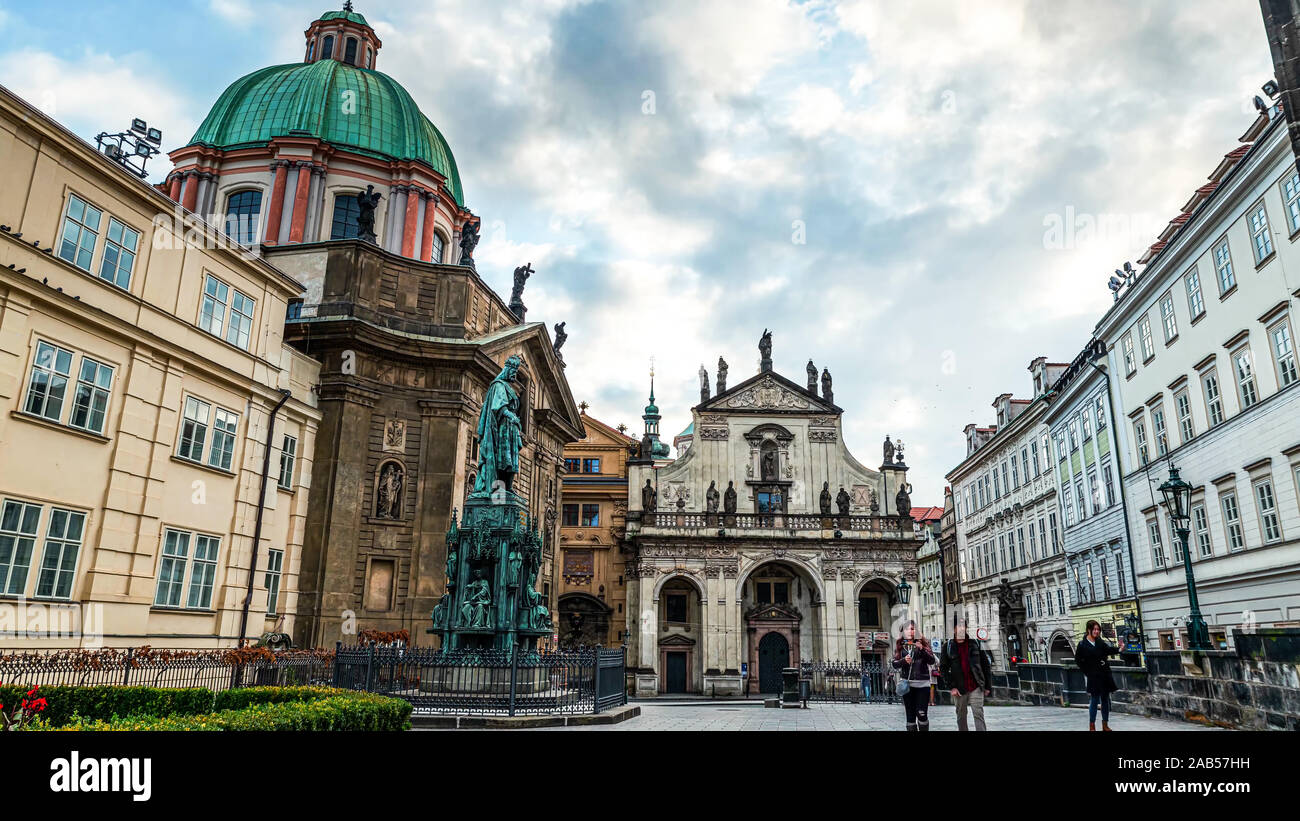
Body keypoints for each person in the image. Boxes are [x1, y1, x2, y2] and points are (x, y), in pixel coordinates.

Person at [939, 620, 992, 731]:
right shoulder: (948, 646)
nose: (962, 628)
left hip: (976, 685)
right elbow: (943, 669)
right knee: (961, 716)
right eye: (959, 626)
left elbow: (985, 665)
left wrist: (987, 686)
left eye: (964, 626)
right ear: (954, 629)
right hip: (959, 688)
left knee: (979, 714)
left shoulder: (975, 643)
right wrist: (951, 687)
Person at [1075, 619, 1121, 731]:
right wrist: (1087, 671)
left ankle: (1105, 725)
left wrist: (1119, 649)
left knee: (1105, 699)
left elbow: (1108, 650)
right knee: (1094, 700)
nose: (1096, 632)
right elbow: (1078, 660)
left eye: (1098, 629)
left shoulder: (1100, 641)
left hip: (1104, 674)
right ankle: (1092, 725)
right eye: (1094, 629)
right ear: (1088, 630)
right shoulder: (1082, 644)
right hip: (1093, 676)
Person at [893, 620, 936, 731]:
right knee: (910, 716)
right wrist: (903, 661)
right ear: (903, 632)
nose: (910, 632)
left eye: (912, 629)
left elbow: (931, 661)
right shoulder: (900, 646)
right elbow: (894, 664)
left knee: (922, 714)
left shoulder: (923, 644)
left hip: (922, 684)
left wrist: (921, 649)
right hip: (907, 686)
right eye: (907, 629)